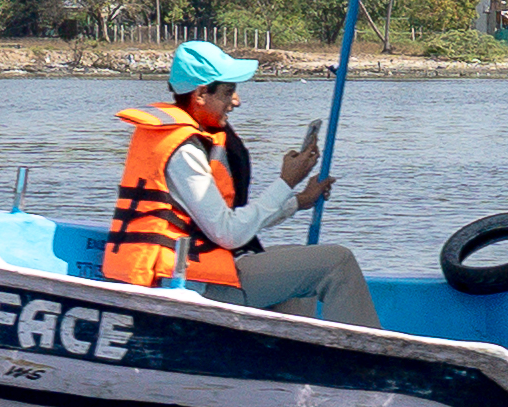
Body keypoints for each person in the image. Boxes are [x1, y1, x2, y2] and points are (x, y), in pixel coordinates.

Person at [94, 39, 376, 327]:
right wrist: (285, 181)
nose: (236, 101)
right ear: (201, 93)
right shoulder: (184, 150)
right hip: (191, 284)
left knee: (301, 270)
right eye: (229, 91)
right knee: (337, 262)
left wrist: (298, 201)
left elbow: (227, 224)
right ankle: (371, 363)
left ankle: (288, 363)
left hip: (203, 268)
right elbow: (228, 233)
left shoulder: (191, 137)